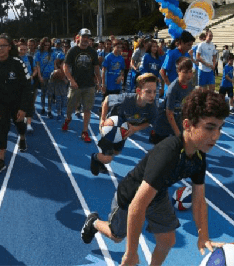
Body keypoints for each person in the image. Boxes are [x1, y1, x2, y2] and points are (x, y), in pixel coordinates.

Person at [82, 89, 229, 266]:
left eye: (219, 128)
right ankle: (95, 222)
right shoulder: (168, 153)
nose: (216, 136)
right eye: (209, 127)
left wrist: (203, 235)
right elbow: (138, 204)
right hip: (131, 195)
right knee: (116, 236)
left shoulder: (198, 156)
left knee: (167, 240)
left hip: (157, 194)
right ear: (188, 125)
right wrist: (131, 253)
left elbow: (198, 199)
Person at [91, 73, 158, 175]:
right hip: (112, 126)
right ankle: (95, 157)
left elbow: (150, 121)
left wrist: (135, 128)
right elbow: (107, 100)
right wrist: (102, 119)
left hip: (124, 129)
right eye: (148, 92)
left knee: (117, 152)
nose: (152, 95)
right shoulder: (126, 99)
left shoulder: (152, 107)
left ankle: (103, 158)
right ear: (138, 91)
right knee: (108, 158)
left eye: (154, 92)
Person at [0, 34, 31, 174]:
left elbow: (27, 86)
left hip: (17, 102)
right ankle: (1, 161)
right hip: (0, 103)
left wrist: (23, 108)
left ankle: (22, 138)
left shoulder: (18, 63)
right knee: (2, 131)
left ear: (9, 47)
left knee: (19, 125)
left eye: (2, 45)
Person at [62, 28, 101, 143]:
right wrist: (71, 80)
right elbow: (65, 67)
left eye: (87, 37)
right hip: (75, 85)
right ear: (78, 37)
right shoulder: (72, 51)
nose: (85, 39)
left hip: (89, 85)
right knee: (70, 107)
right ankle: (68, 119)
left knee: (87, 109)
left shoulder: (93, 52)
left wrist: (99, 81)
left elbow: (96, 68)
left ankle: (85, 131)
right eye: (83, 36)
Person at [150, 57, 194, 145]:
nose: (188, 75)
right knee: (160, 151)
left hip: (177, 121)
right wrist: (178, 133)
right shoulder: (173, 89)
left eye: (190, 71)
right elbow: (169, 113)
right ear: (178, 71)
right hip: (163, 125)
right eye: (185, 72)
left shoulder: (190, 86)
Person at [160, 30, 195, 96]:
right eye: (188, 45)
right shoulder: (171, 54)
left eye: (191, 45)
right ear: (181, 43)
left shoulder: (187, 55)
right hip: (171, 89)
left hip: (182, 89)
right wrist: (169, 85)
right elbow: (162, 71)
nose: (190, 47)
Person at [35, 37, 57, 117]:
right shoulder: (38, 53)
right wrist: (39, 76)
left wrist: (56, 72)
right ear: (42, 44)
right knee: (43, 93)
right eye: (45, 45)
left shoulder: (52, 53)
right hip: (43, 75)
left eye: (48, 45)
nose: (46, 46)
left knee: (50, 93)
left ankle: (49, 110)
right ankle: (43, 107)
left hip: (51, 75)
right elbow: (37, 65)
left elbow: (54, 64)